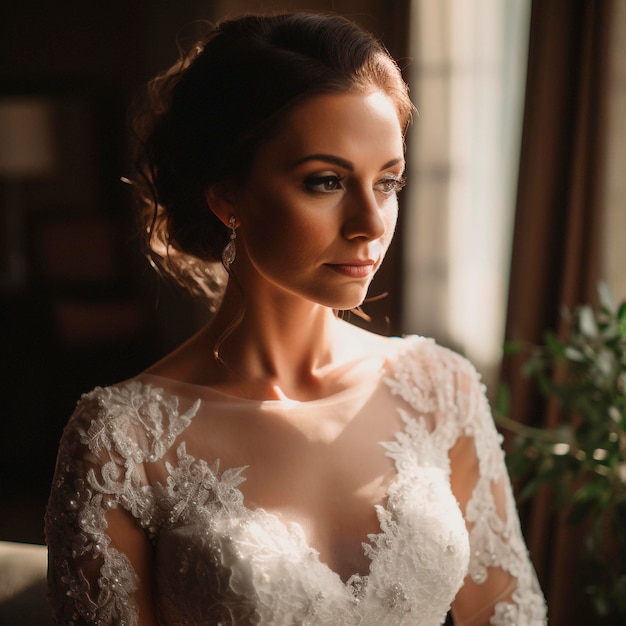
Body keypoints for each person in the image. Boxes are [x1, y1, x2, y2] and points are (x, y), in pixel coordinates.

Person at [45, 12, 547, 626]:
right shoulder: (121, 441)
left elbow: (509, 615)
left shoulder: (441, 390)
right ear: (227, 194)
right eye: (326, 181)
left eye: (387, 182)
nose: (370, 222)